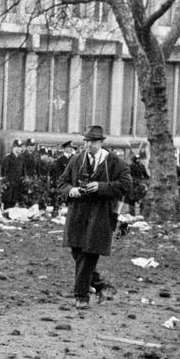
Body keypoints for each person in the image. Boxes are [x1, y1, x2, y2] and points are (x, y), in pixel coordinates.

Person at [57, 124, 132, 309]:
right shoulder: (76, 160)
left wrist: (101, 187)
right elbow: (62, 183)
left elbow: (126, 186)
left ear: (101, 143)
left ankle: (81, 296)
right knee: (77, 251)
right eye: (87, 141)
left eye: (93, 142)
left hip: (101, 215)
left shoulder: (115, 162)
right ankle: (101, 286)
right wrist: (72, 190)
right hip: (78, 215)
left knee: (89, 254)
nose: (89, 145)